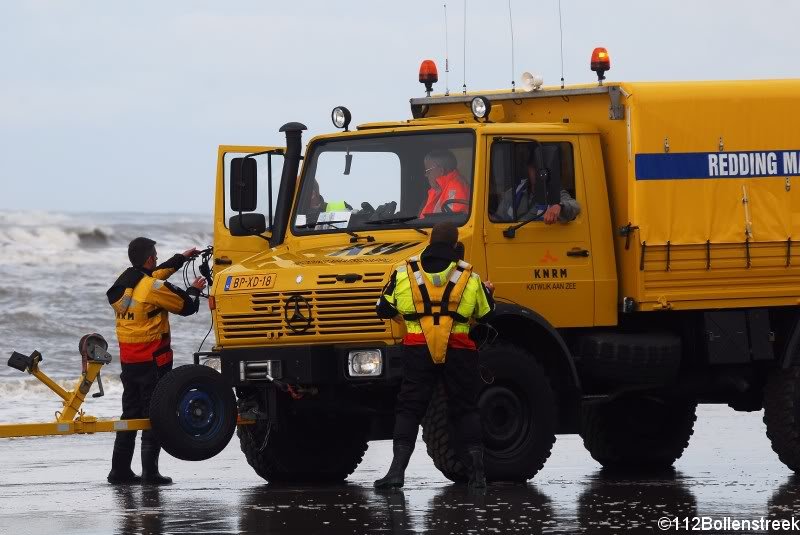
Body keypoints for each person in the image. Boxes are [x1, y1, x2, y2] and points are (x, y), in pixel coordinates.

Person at [374, 222, 495, 490]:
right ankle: (477, 475)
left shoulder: (404, 272)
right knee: (465, 408)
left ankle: (396, 472)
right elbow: (487, 315)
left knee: (409, 408)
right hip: (459, 350)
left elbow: (382, 309)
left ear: (429, 241)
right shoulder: (470, 277)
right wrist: (489, 293)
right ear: (455, 245)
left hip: (418, 349)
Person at [105, 237, 206, 485]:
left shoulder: (126, 282)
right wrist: (194, 290)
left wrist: (181, 258)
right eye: (156, 256)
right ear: (149, 259)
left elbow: (156, 274)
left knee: (129, 413)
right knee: (154, 414)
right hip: (154, 360)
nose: (158, 259)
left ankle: (119, 471)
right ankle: (150, 473)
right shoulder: (152, 287)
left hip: (129, 361)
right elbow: (187, 307)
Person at [496, 149, 580, 224]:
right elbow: (498, 219)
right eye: (534, 168)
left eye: (541, 168)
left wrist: (559, 206)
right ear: (528, 169)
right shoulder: (516, 191)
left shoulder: (554, 191)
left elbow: (575, 206)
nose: (537, 173)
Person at [418, 149, 470, 217]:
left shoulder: (455, 188)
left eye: (428, 171)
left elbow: (452, 222)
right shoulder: (437, 190)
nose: (426, 175)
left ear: (441, 171)